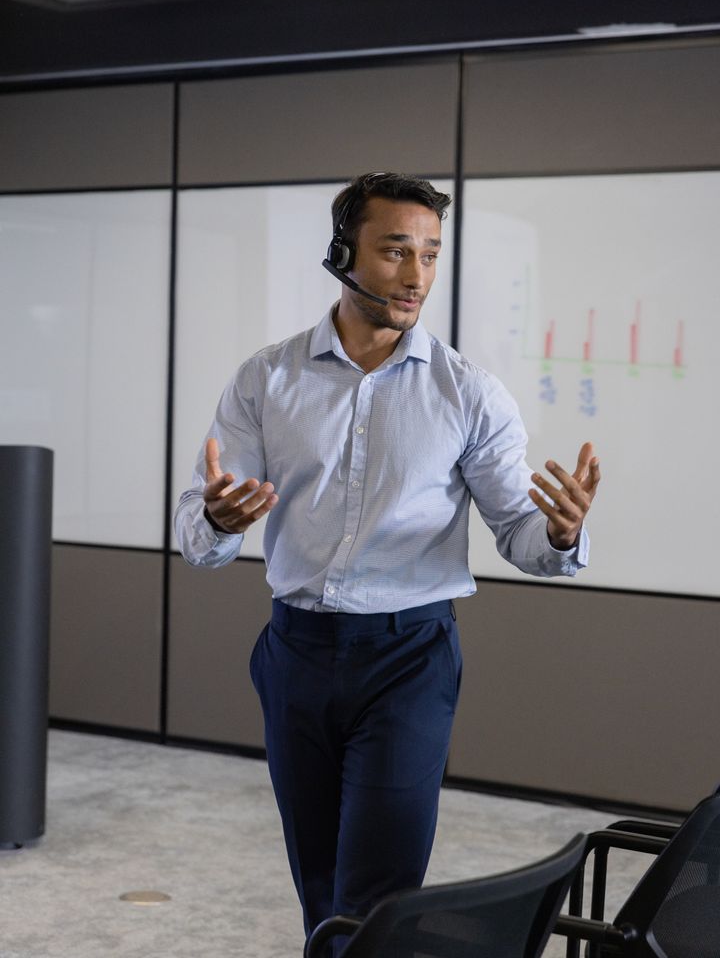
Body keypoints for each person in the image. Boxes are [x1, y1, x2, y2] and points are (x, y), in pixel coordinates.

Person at [174, 172, 600, 945]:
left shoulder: (469, 393)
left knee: (378, 889)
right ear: (343, 253)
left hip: (409, 657)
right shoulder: (266, 379)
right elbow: (200, 534)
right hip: (294, 651)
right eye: (396, 250)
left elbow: (521, 535)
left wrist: (562, 535)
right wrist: (214, 515)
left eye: (431, 255)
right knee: (320, 885)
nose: (416, 275)